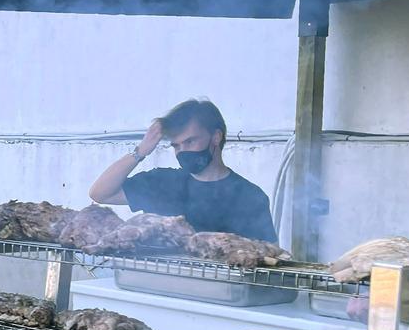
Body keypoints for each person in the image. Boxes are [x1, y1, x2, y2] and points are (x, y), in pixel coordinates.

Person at [88, 98, 278, 243]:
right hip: (156, 287)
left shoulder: (249, 196)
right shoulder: (161, 183)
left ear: (216, 137)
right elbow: (100, 193)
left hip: (217, 292)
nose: (182, 151)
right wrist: (141, 151)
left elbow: (265, 257)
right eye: (176, 146)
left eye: (190, 141)